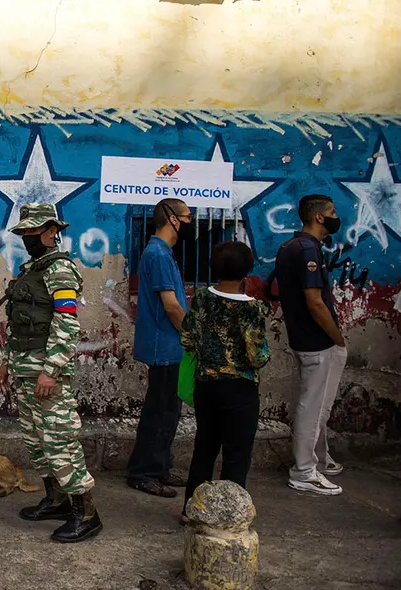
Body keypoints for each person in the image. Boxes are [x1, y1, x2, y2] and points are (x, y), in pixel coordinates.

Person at [0, 203, 101, 544]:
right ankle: (56, 500)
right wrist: (6, 361)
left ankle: (85, 514)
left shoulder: (61, 271)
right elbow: (18, 323)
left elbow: (66, 323)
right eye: (24, 232)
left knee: (59, 441)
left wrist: (51, 370)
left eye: (34, 230)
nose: (28, 237)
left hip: (46, 372)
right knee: (37, 442)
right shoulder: (31, 270)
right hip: (25, 368)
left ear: (52, 231)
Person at [179, 241, 271, 523]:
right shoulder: (252, 310)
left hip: (206, 385)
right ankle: (229, 516)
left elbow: (187, 338)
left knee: (204, 448)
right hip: (239, 389)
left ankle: (191, 511)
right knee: (236, 453)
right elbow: (258, 356)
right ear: (247, 271)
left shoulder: (203, 298)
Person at [272, 194, 347, 496]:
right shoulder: (306, 250)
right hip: (317, 341)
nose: (335, 215)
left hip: (305, 339)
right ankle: (304, 471)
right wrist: (337, 337)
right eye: (331, 211)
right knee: (313, 407)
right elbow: (315, 303)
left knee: (316, 405)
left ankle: (320, 459)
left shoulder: (294, 245)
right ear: (319, 217)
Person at [126, 198, 192, 497]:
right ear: (172, 219)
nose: (191, 223)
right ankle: (144, 472)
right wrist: (194, 336)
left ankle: (160, 467)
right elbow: (171, 306)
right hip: (164, 346)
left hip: (170, 347)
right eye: (188, 217)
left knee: (168, 411)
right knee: (160, 412)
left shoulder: (163, 252)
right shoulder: (158, 254)